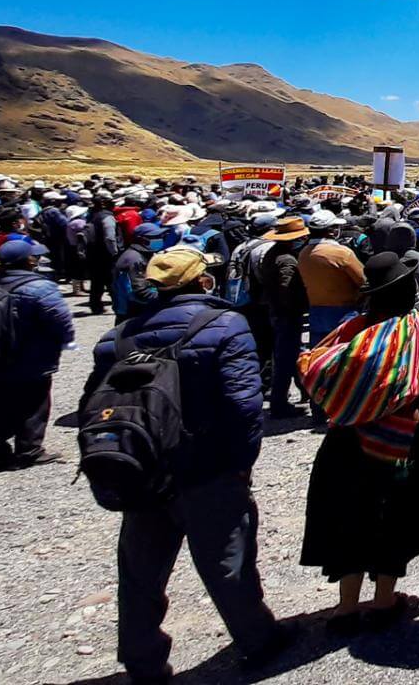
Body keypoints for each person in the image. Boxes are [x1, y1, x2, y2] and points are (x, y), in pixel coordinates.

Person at [86, 245, 288, 682]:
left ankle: (142, 659)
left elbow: (93, 404)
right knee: (226, 560)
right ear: (203, 280)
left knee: (141, 571)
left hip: (143, 466)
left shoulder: (117, 337)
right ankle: (257, 640)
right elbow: (243, 406)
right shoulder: (225, 325)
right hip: (207, 465)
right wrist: (241, 462)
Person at [299, 252, 419, 634]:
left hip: (347, 437)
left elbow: (317, 365)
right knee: (395, 516)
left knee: (349, 515)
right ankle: (384, 600)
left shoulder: (351, 329)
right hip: (406, 438)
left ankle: (346, 608)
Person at [0, 238, 73, 469]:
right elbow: (61, 319)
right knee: (35, 403)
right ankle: (29, 450)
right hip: (33, 353)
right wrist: (65, 340)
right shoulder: (40, 287)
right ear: (28, 260)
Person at [256, 216, 311, 419]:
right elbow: (286, 288)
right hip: (287, 313)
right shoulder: (287, 260)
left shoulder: (271, 254)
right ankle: (279, 404)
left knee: (289, 355)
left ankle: (304, 393)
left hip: (277, 311)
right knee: (286, 359)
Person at [299, 211, 365, 345]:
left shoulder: (303, 254)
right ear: (331, 231)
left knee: (319, 352)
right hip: (344, 311)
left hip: (316, 311)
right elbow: (363, 280)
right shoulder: (342, 253)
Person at [112, 222, 163, 323]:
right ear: (141, 239)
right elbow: (140, 292)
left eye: (161, 236)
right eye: (155, 237)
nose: (160, 239)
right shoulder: (134, 260)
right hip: (132, 314)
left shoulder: (142, 254)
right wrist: (166, 297)